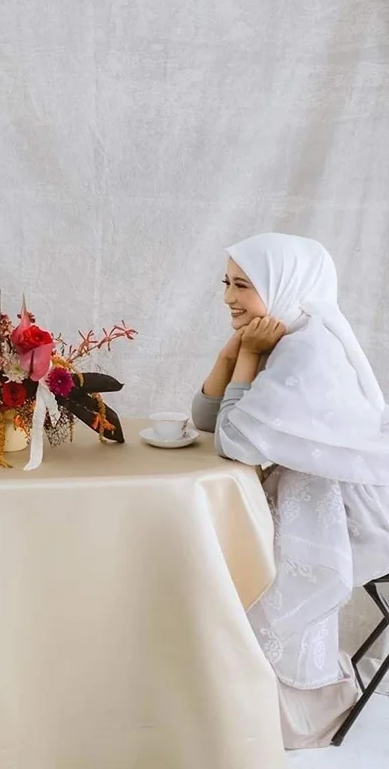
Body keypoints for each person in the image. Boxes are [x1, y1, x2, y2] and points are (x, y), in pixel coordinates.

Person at [192, 232, 389, 749]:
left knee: (233, 552)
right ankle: (239, 695)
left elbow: (233, 444)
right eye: (227, 283)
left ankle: (282, 710)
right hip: (314, 495)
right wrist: (234, 351)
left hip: (357, 514)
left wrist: (251, 358)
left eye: (243, 285)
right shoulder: (283, 334)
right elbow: (207, 421)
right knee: (224, 540)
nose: (229, 297)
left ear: (284, 285)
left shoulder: (308, 350)